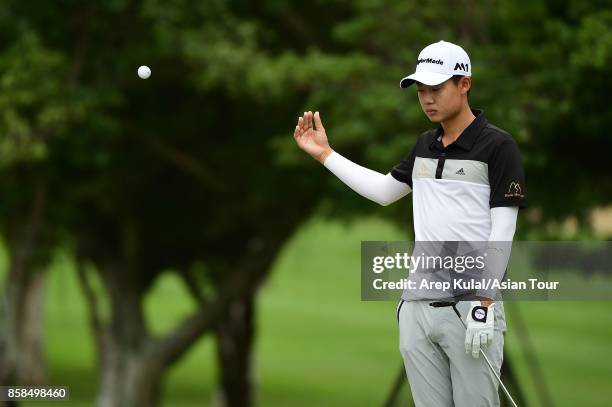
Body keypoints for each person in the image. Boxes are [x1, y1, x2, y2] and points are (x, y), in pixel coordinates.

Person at [293, 40, 527, 406]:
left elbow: (503, 230)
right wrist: (326, 154)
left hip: (470, 307)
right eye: (421, 91)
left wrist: (485, 301)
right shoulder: (423, 145)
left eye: (436, 89)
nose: (427, 99)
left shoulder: (498, 147)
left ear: (464, 83)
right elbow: (383, 191)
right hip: (417, 306)